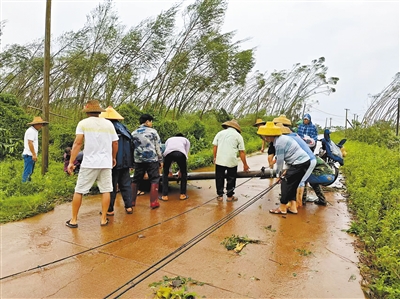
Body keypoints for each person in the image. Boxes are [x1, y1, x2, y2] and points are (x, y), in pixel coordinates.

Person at [65, 100, 118, 228]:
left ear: (87, 111)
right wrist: (113, 157)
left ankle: (74, 220)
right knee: (106, 190)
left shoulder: (83, 123)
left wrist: (71, 162)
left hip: (89, 163)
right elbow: (115, 143)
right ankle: (104, 219)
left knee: (79, 190)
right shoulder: (108, 124)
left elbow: (78, 143)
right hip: (105, 163)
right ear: (99, 111)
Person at [257, 122, 310, 215]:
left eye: (265, 136)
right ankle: (293, 207)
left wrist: (278, 176)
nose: (265, 138)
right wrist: (285, 170)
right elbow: (284, 156)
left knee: (285, 182)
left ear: (269, 136)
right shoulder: (279, 140)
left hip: (300, 163)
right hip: (302, 162)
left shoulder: (279, 143)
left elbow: (280, 162)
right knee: (292, 184)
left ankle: (282, 207)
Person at [100, 106, 134, 215]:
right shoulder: (124, 128)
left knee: (111, 185)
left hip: (113, 161)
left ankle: (110, 209)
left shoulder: (107, 128)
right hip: (126, 161)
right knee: (125, 184)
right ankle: (129, 207)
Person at [130, 114, 163, 209]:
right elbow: (158, 146)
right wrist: (160, 159)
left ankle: (132, 201)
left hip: (138, 160)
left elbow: (131, 148)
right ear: (147, 122)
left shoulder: (134, 133)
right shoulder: (153, 132)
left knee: (136, 180)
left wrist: (132, 162)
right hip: (152, 159)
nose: (151, 123)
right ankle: (154, 202)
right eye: (151, 121)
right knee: (154, 179)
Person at [212, 119, 250, 202]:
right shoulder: (238, 136)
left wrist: (215, 157)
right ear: (236, 128)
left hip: (220, 160)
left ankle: (220, 196)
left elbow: (215, 147)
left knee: (219, 177)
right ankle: (229, 196)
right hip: (231, 161)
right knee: (231, 178)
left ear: (227, 126)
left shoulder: (220, 133)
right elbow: (242, 151)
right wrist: (245, 164)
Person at [159, 133, 190, 201]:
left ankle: (164, 196)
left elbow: (168, 151)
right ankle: (182, 195)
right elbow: (185, 154)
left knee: (165, 174)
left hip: (168, 154)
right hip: (181, 154)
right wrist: (181, 171)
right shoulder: (185, 140)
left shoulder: (169, 139)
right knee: (184, 174)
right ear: (182, 137)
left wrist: (169, 171)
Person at [22, 116, 49, 182]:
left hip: (30, 154)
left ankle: (27, 184)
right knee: (28, 171)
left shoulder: (34, 131)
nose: (41, 126)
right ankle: (24, 185)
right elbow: (30, 143)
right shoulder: (31, 131)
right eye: (40, 124)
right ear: (36, 124)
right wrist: (34, 154)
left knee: (30, 171)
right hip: (29, 154)